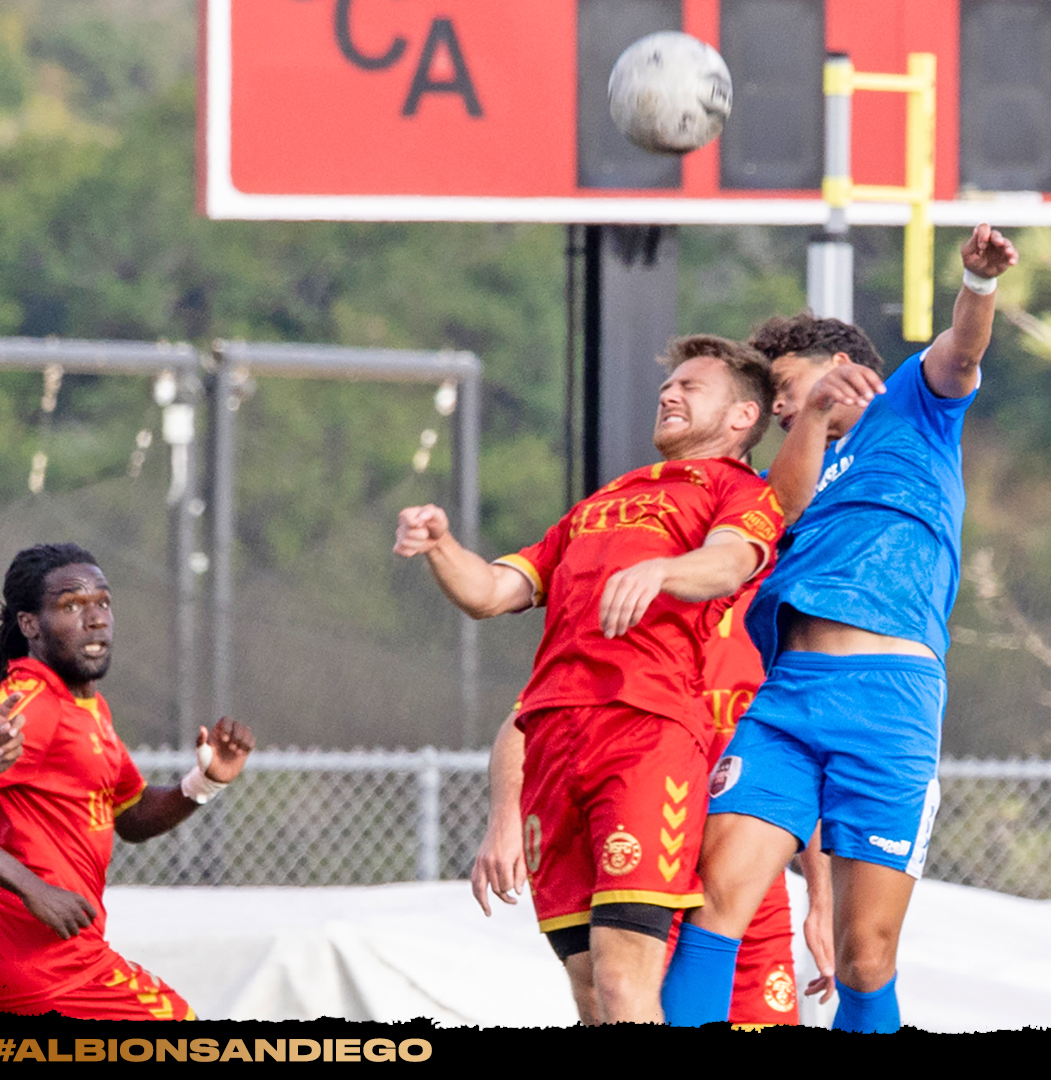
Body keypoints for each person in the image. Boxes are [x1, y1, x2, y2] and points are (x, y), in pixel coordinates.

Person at [662, 223, 1018, 1033]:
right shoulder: (775, 477)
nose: (779, 406)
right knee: (716, 900)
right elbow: (773, 512)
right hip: (786, 703)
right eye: (774, 402)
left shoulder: (908, 409)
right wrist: (806, 424)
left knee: (865, 957)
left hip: (889, 701)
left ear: (846, 369)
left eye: (786, 387)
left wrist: (979, 283)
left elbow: (960, 353)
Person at [396, 336, 785, 1024]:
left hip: (645, 732)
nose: (669, 394)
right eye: (670, 386)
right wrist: (442, 546)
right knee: (588, 989)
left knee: (622, 973)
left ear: (741, 417)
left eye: (692, 387)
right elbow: (491, 591)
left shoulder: (739, 490)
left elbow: (729, 565)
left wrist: (662, 570)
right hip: (554, 743)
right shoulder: (605, 499)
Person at [472, 586, 803, 1029]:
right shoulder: (636, 602)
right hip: (649, 866)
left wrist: (821, 894)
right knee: (614, 997)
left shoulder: (775, 606)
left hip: (749, 875)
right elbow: (527, 717)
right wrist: (504, 819)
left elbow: (805, 756)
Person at [0, 543, 255, 1019]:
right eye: (71, 605)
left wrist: (205, 782)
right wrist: (33, 888)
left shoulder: (87, 708)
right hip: (49, 969)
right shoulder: (30, 701)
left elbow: (132, 815)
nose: (96, 617)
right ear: (30, 625)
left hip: (21, 966)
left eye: (102, 602)